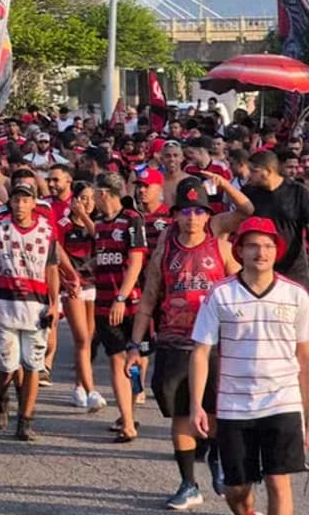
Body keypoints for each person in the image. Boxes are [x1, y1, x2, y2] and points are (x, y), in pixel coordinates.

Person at [127, 177, 247, 508]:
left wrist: (222, 182)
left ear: (207, 215)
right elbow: (148, 300)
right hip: (174, 342)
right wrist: (134, 346)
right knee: (181, 413)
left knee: (217, 410)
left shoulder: (220, 245)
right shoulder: (164, 252)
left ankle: (217, 458)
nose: (192, 218)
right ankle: (188, 484)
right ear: (175, 215)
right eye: (186, 212)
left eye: (199, 211)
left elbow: (242, 288)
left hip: (216, 343)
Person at [190, 217, 309, 515]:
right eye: (253, 245)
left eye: (268, 245)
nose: (261, 252)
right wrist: (196, 406)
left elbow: (305, 358)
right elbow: (201, 352)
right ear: (239, 250)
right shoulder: (221, 293)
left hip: (283, 400)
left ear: (276, 251)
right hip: (234, 404)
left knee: (278, 480)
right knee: (238, 490)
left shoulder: (296, 295)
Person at [0, 181, 59, 442]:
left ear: (34, 203)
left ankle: (25, 420)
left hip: (36, 306)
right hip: (5, 303)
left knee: (33, 365)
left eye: (26, 200)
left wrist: (55, 303)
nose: (20, 205)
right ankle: (2, 396)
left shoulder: (46, 231)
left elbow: (52, 268)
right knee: (6, 364)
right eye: (16, 199)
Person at [90, 172, 148, 443]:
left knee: (133, 362)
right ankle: (127, 421)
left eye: (94, 194)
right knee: (116, 361)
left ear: (103, 193)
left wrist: (121, 298)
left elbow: (136, 262)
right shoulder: (99, 223)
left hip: (130, 304)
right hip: (103, 303)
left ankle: (131, 410)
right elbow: (102, 257)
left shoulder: (132, 220)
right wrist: (88, 267)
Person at [242, 149, 309, 288]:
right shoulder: (248, 193)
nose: (249, 175)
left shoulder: (298, 192)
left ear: (267, 171)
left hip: (294, 269)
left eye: (254, 171)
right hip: (259, 266)